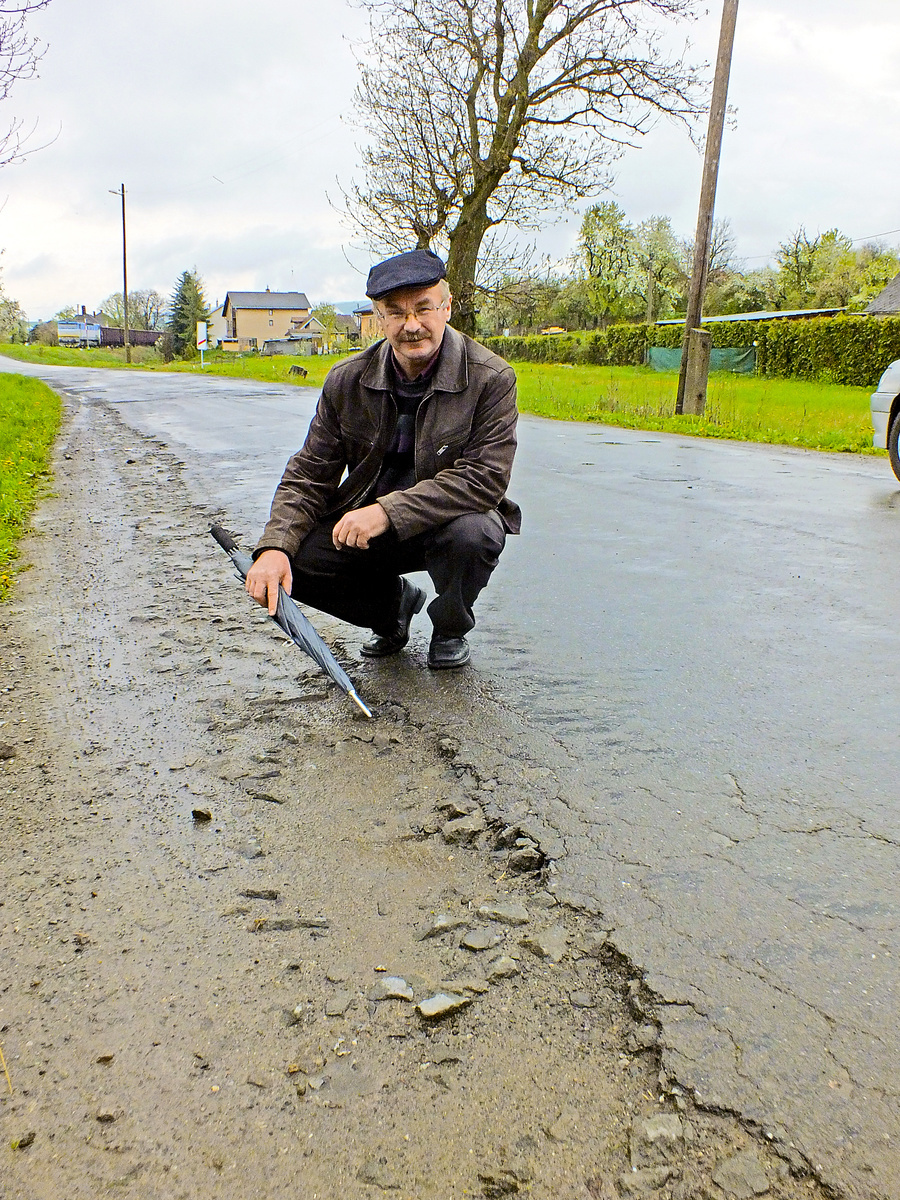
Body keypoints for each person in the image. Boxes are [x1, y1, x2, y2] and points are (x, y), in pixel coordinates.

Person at [245, 248, 520, 669]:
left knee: (475, 534)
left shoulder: (491, 378)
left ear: (446, 308)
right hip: (369, 528)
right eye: (396, 313)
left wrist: (387, 512)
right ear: (380, 318)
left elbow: (484, 478)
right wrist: (274, 548)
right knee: (293, 561)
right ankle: (392, 611)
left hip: (445, 525)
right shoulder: (347, 380)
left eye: (423, 309)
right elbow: (309, 474)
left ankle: (449, 626)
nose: (412, 326)